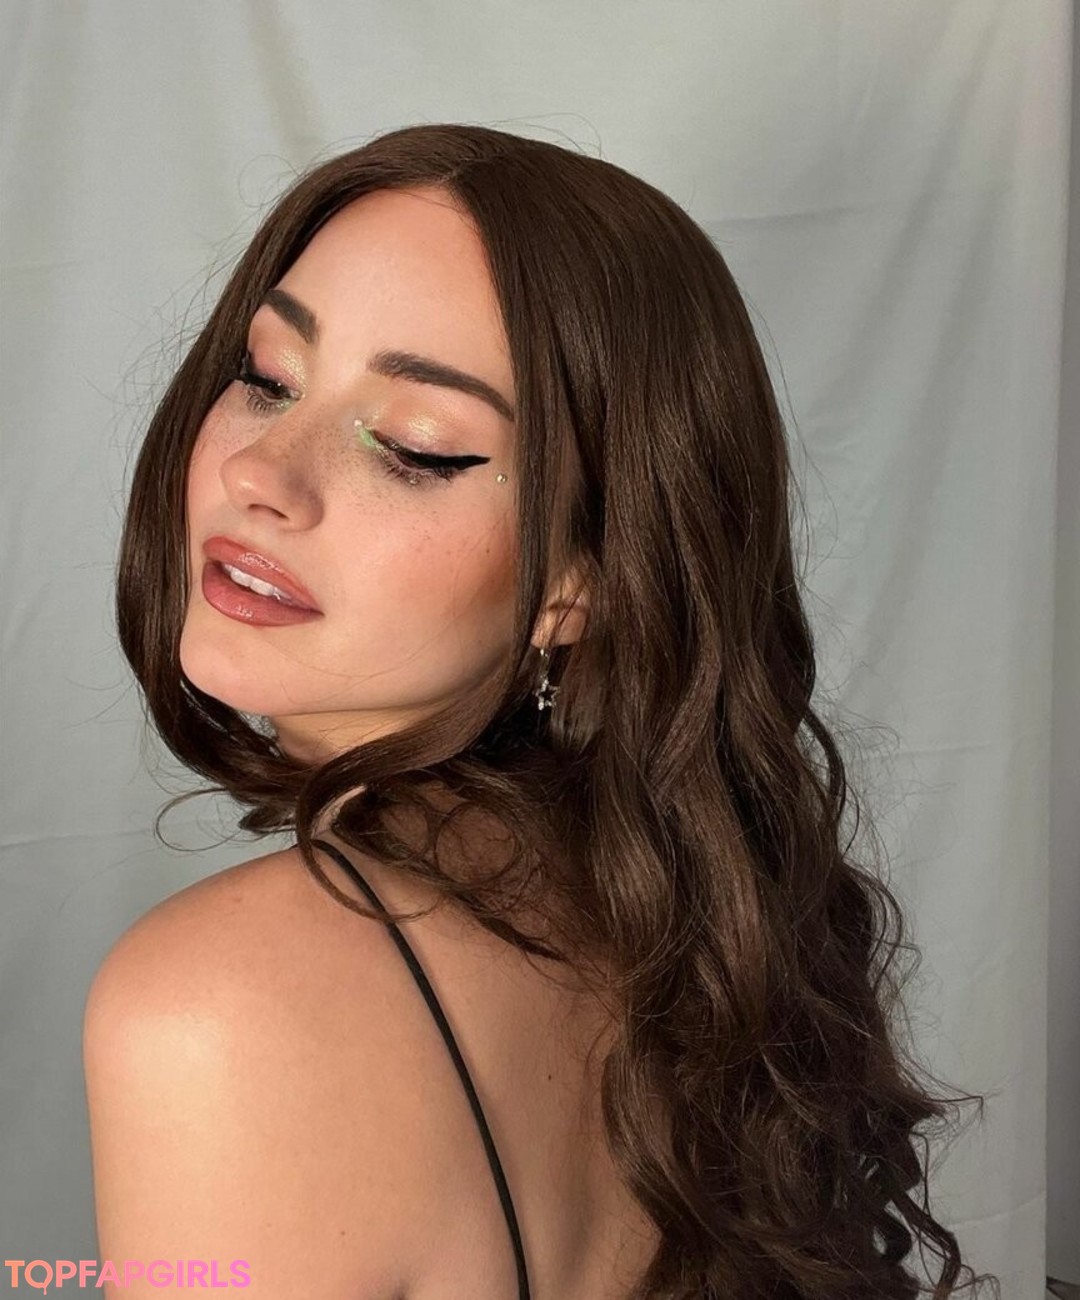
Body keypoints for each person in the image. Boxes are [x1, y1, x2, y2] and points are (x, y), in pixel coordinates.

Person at [82, 124, 997, 1300]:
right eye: (267, 377)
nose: (262, 472)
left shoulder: (218, 1006)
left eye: (415, 447)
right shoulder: (661, 923)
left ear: (578, 582)